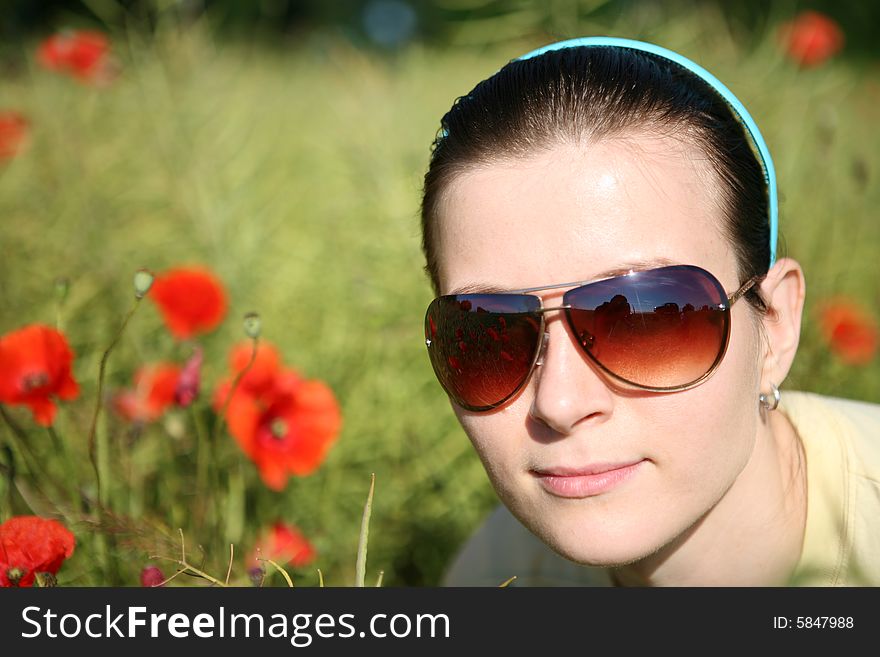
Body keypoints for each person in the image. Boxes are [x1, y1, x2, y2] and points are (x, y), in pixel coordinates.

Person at [418, 37, 880, 586]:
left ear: (774, 327)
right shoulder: (498, 576)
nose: (560, 403)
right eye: (487, 331)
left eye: (648, 317)